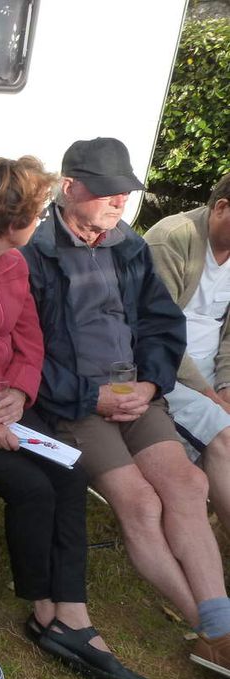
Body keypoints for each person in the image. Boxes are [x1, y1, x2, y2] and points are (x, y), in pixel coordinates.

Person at [0, 156, 147, 679]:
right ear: (12, 219)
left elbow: (28, 336)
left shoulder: (13, 264)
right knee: (32, 490)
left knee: (71, 472)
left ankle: (74, 612)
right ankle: (45, 612)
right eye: (37, 211)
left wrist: (19, 390)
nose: (42, 220)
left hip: (8, 402)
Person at [21, 136, 230, 678]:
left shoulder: (128, 246)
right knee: (138, 501)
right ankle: (214, 633)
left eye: (126, 192)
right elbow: (25, 350)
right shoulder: (34, 252)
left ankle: (219, 622)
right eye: (108, 192)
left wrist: (152, 385)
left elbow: (163, 324)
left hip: (132, 392)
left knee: (187, 485)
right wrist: (85, 396)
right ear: (70, 189)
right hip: (73, 403)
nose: (120, 203)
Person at [145, 172, 230, 534]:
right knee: (225, 435)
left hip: (214, 376)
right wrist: (210, 395)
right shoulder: (171, 240)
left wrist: (226, 385)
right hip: (163, 374)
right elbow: (156, 334)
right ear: (222, 208)